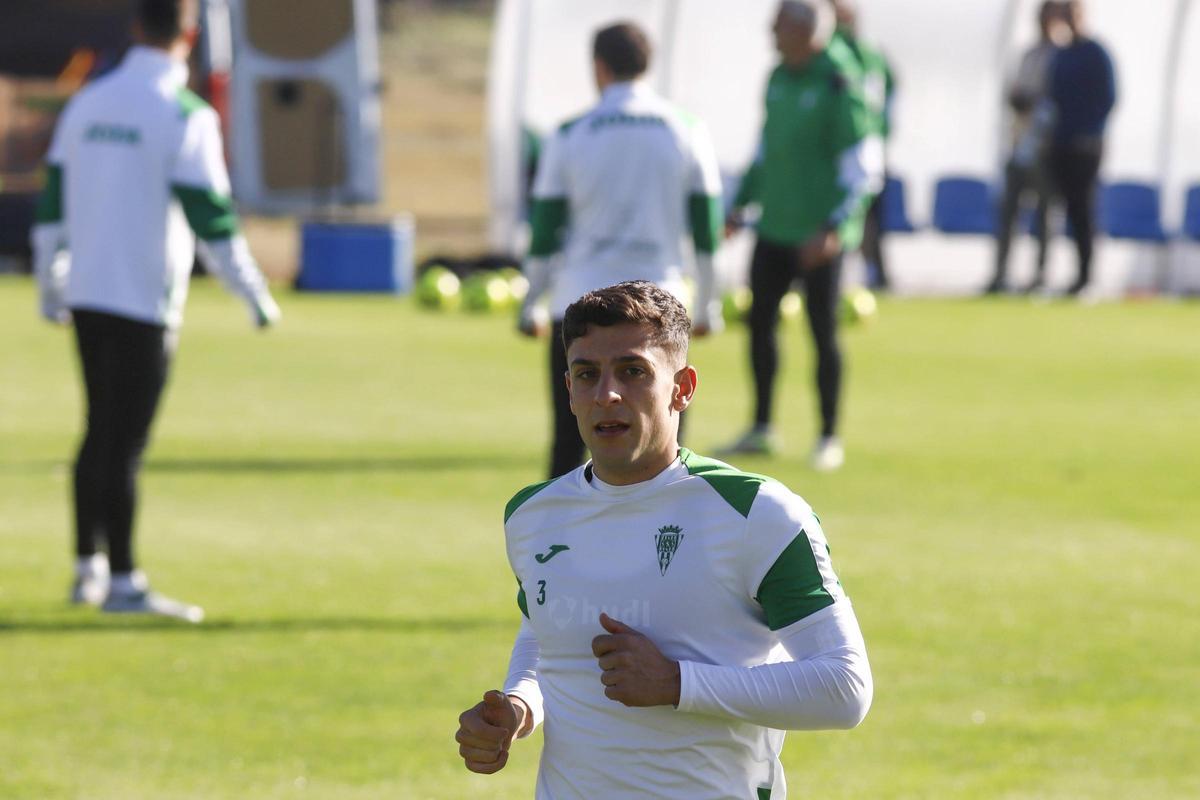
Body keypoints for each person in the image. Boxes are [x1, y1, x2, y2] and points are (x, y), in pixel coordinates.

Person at [455, 280, 872, 799]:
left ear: (683, 387)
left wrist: (678, 684)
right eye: (588, 374)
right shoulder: (533, 515)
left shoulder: (756, 512)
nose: (607, 393)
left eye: (633, 371)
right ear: (569, 391)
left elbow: (845, 688)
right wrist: (519, 707)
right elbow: (546, 635)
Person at [31, 0, 280, 622]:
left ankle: (87, 566)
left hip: (88, 293)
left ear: (136, 27)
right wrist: (253, 293)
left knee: (98, 431)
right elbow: (212, 217)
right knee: (124, 443)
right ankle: (123, 582)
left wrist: (48, 285)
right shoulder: (183, 113)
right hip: (143, 300)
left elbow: (52, 205)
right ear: (189, 35)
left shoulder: (87, 102)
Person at [515, 21, 724, 480]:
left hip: (580, 302)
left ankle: (561, 544)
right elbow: (707, 229)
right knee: (666, 445)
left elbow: (545, 231)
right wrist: (709, 303)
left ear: (599, 66)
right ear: (648, 65)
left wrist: (532, 302)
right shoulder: (686, 128)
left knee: (569, 438)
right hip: (661, 305)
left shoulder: (570, 133)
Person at [721, 0, 879, 470]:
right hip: (774, 227)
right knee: (760, 327)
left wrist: (836, 228)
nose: (769, 30)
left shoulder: (839, 80)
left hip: (818, 235)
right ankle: (762, 426)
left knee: (823, 332)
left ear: (804, 30)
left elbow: (863, 168)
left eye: (778, 23)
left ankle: (829, 435)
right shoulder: (777, 77)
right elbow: (766, 149)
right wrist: (740, 205)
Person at [986, 0, 1065, 295]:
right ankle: (1000, 274)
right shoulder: (1029, 54)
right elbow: (1015, 92)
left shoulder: (1063, 57)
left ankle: (1041, 275)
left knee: (1045, 216)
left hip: (1045, 150)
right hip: (1019, 145)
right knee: (1008, 212)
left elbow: (1055, 100)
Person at [1045, 0, 1116, 296]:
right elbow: (1052, 96)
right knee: (1070, 210)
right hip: (1061, 143)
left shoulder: (1096, 53)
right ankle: (1073, 276)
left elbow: (1109, 97)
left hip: (1087, 145)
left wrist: (1088, 130)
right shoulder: (1061, 55)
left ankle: (1088, 276)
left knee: (1085, 209)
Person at [831, 0, 896, 292]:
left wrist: (882, 130)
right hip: (843, 145)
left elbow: (886, 94)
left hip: (864, 144)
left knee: (867, 212)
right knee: (847, 212)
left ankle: (875, 271)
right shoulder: (833, 50)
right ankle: (842, 271)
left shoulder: (864, 52)